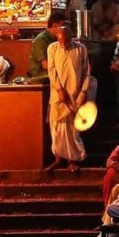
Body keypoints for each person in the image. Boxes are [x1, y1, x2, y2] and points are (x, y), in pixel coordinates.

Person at [46, 26, 91, 172]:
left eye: (66, 41)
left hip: (75, 94)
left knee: (72, 130)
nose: (63, 44)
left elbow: (86, 72)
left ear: (71, 37)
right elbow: (52, 71)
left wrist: (83, 92)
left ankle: (73, 160)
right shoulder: (52, 48)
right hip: (58, 95)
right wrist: (59, 89)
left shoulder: (80, 49)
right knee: (56, 126)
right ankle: (58, 158)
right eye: (61, 42)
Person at [28, 11, 67, 79]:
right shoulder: (40, 40)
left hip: (54, 71)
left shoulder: (58, 38)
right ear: (55, 25)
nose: (64, 30)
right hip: (41, 74)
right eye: (62, 27)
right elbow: (45, 65)